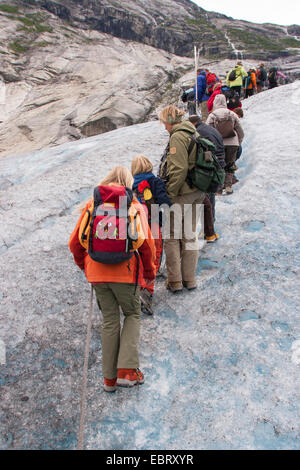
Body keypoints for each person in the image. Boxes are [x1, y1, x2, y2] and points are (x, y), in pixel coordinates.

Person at [68, 166, 156, 392]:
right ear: (127, 183)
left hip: (97, 273)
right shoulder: (134, 206)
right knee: (132, 314)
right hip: (126, 273)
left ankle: (109, 380)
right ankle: (126, 371)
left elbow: (74, 243)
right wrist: (149, 272)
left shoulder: (93, 206)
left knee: (109, 320)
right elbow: (147, 245)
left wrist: (85, 266)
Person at [158, 105, 206, 292]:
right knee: (189, 235)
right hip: (197, 192)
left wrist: (169, 194)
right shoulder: (193, 132)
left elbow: (178, 169)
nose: (164, 127)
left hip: (182, 193)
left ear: (170, 121)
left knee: (171, 237)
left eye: (164, 123)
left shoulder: (178, 136)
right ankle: (190, 280)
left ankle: (175, 282)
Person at [131, 155, 171, 315]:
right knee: (154, 255)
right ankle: (147, 291)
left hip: (137, 225)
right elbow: (164, 202)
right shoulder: (156, 182)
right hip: (153, 223)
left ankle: (137, 286)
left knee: (139, 256)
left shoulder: (130, 185)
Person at [188, 114, 225, 224]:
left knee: (207, 197)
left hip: (211, 165)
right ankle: (211, 221)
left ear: (192, 123)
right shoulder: (210, 129)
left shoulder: (199, 132)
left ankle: (208, 225)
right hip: (220, 161)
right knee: (211, 195)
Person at [206, 94, 244, 195]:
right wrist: (238, 142)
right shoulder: (232, 114)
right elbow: (240, 130)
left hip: (218, 145)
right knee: (230, 165)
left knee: (219, 166)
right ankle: (228, 187)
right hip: (233, 143)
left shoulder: (212, 115)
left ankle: (219, 189)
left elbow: (208, 131)